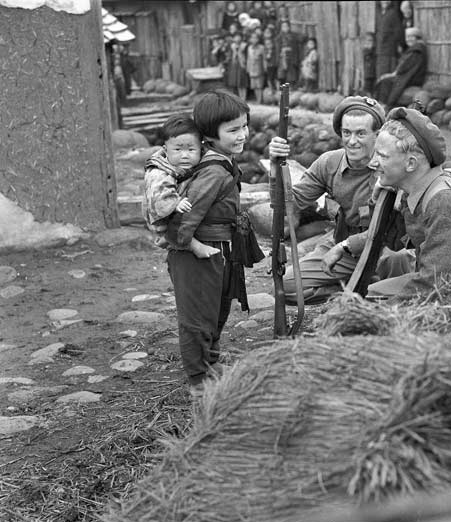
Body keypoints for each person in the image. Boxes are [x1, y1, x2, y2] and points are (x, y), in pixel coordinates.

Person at [321, 108, 451, 299]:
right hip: (439, 279)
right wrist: (375, 202)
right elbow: (389, 238)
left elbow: (434, 283)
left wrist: (376, 313)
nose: (373, 163)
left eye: (382, 156)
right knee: (374, 287)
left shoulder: (447, 201)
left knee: (368, 301)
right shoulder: (412, 192)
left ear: (410, 164)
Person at [268, 96, 408, 305]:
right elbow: (288, 205)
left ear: (377, 135)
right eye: (346, 133)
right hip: (343, 247)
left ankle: (367, 289)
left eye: (361, 133)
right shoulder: (329, 163)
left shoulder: (391, 165)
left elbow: (390, 227)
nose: (352, 141)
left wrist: (345, 246)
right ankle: (350, 291)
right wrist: (274, 169)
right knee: (287, 287)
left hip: (384, 249)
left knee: (398, 277)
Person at [165, 91, 255, 388]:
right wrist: (189, 244)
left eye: (244, 126)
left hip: (219, 248)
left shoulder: (224, 161)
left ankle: (210, 362)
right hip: (197, 253)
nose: (242, 134)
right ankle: (198, 382)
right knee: (197, 318)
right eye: (232, 130)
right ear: (209, 135)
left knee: (217, 310)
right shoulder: (213, 172)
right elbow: (184, 219)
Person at [142, 114, 220, 260]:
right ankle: (191, 245)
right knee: (178, 232)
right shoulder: (159, 172)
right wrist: (175, 202)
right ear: (165, 150)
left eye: (191, 150)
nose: (185, 156)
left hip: (174, 216)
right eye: (178, 150)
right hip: (160, 219)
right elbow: (159, 194)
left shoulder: (193, 164)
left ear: (201, 148)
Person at [374, 27, 428, 109]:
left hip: (413, 79)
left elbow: (406, 68)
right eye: (407, 37)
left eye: (411, 37)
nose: (408, 40)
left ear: (417, 37)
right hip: (408, 76)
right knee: (384, 80)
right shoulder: (414, 49)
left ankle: (385, 106)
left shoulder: (416, 51)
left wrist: (395, 74)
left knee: (385, 82)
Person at [375, 0, 405, 79]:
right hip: (380, 50)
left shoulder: (393, 13)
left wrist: (400, 44)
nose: (385, 1)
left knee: (387, 75)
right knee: (380, 74)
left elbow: (399, 31)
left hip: (389, 51)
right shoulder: (379, 13)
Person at [275, 19, 301, 87]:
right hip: (283, 57)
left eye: (286, 26)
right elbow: (278, 48)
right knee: (282, 74)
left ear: (289, 27)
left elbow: (302, 38)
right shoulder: (279, 37)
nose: (285, 28)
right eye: (283, 26)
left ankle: (291, 87)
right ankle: (283, 89)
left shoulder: (293, 35)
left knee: (291, 74)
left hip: (291, 57)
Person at [225, 32, 248, 100]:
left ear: (241, 37)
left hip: (242, 65)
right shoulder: (232, 46)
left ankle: (243, 97)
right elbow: (229, 56)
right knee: (235, 81)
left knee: (242, 81)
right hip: (234, 65)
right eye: (235, 37)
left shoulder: (245, 45)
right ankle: (237, 98)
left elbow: (247, 56)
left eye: (238, 36)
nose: (237, 38)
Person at [246, 31, 267, 103]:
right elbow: (248, 58)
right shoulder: (249, 48)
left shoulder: (261, 47)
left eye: (255, 38)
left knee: (259, 85)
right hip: (252, 67)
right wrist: (248, 68)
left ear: (258, 39)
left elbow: (264, 58)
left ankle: (260, 99)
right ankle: (257, 98)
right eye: (252, 38)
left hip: (259, 67)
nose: (254, 39)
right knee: (253, 85)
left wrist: (265, 67)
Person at [362, 32, 377, 96]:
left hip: (373, 74)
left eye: (371, 40)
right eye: (367, 40)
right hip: (367, 75)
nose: (369, 42)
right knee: (367, 90)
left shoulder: (374, 51)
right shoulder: (365, 51)